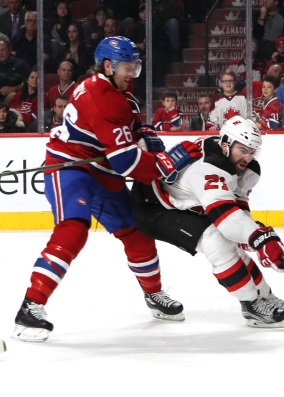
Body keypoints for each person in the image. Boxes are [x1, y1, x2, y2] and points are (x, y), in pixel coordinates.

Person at [11, 36, 203, 342]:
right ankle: (30, 308)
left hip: (100, 169)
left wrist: (142, 130)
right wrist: (167, 161)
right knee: (73, 229)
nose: (132, 72)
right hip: (70, 167)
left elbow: (128, 122)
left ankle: (153, 295)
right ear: (108, 65)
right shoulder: (101, 97)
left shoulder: (115, 89)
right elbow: (127, 160)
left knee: (136, 232)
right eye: (128, 66)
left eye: (135, 66)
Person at [131, 116, 284, 327]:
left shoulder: (227, 156)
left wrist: (254, 238)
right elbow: (227, 220)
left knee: (233, 246)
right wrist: (260, 237)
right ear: (227, 144)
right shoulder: (208, 169)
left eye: (252, 151)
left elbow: (237, 207)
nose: (247, 157)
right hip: (153, 208)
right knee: (217, 243)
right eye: (243, 150)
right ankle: (251, 305)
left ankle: (265, 296)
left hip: (181, 202)